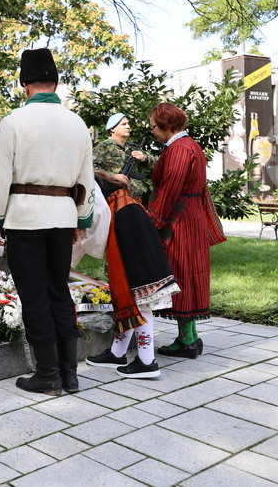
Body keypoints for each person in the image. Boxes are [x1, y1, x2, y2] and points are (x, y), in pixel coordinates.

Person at [0, 49, 95, 395]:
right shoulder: (76, 124)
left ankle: (47, 376)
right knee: (59, 291)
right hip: (62, 217)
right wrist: (80, 219)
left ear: (23, 84)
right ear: (56, 82)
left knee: (34, 297)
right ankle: (69, 374)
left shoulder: (13, 122)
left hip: (25, 217)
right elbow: (85, 180)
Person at [86, 113, 179, 379]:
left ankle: (147, 362)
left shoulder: (118, 208)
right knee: (127, 298)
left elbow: (95, 236)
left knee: (139, 300)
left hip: (140, 254)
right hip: (141, 238)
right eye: (123, 123)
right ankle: (117, 352)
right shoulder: (122, 202)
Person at [147, 102, 226, 359]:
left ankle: (188, 340)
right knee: (187, 275)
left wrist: (153, 223)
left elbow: (169, 189)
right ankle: (188, 338)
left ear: (167, 125)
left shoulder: (180, 149)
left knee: (181, 275)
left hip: (179, 220)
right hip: (190, 216)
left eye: (154, 127)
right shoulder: (188, 145)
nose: (152, 132)